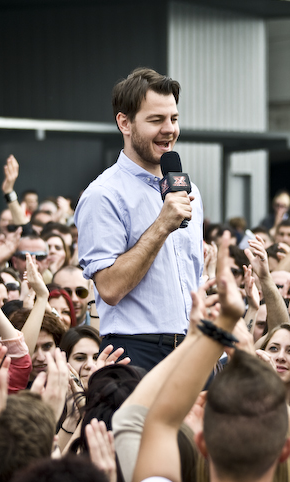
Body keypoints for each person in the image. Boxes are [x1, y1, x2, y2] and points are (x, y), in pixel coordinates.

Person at [75, 67, 203, 372]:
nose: (169, 129)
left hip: (192, 345)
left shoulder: (188, 189)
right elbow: (109, 288)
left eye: (173, 119)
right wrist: (161, 226)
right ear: (125, 123)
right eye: (156, 120)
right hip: (135, 350)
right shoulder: (103, 195)